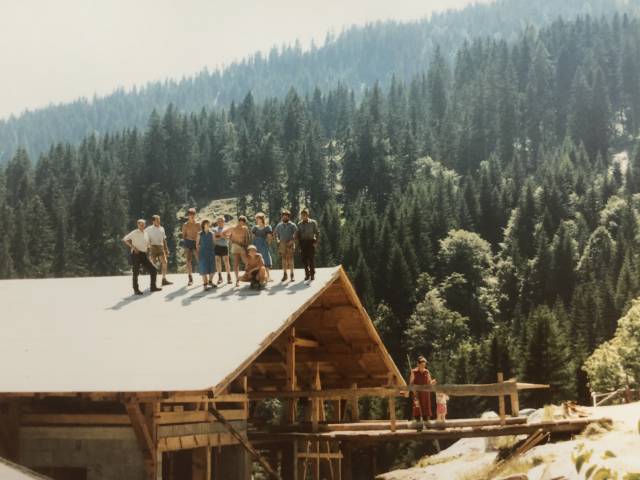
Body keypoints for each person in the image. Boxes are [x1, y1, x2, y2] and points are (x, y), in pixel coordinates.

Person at [122, 219, 161, 295]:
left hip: (143, 254)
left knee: (153, 269)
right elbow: (125, 239)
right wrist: (133, 247)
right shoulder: (134, 232)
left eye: (144, 225)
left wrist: (148, 253)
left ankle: (153, 287)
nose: (143, 226)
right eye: (141, 225)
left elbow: (147, 244)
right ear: (138, 225)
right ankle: (136, 290)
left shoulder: (146, 233)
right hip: (136, 254)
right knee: (136, 272)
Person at [409, 356, 436, 427]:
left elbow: (429, 382)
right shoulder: (414, 372)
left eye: (424, 364)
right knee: (417, 408)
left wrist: (432, 382)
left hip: (425, 394)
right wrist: (413, 390)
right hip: (416, 393)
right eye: (421, 364)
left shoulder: (426, 372)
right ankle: (418, 426)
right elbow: (411, 384)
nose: (423, 365)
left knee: (426, 409)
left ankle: (427, 425)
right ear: (418, 364)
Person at [145, 214, 173, 286]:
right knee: (153, 264)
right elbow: (144, 237)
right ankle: (153, 281)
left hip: (160, 247)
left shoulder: (162, 228)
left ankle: (164, 279)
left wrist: (166, 249)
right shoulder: (149, 229)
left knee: (164, 262)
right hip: (153, 247)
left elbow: (164, 239)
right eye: (157, 220)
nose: (159, 221)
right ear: (153, 221)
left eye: (159, 220)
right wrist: (147, 246)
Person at [296, 208, 319, 281]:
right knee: (304, 260)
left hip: (311, 242)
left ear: (307, 215)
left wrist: (316, 242)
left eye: (305, 215)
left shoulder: (313, 222)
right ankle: (307, 274)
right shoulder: (299, 224)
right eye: (302, 215)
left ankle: (312, 274)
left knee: (311, 259)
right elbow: (298, 235)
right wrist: (299, 245)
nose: (303, 216)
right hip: (302, 243)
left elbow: (317, 232)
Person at [274, 209, 297, 282]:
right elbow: (275, 234)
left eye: (286, 216)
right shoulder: (279, 225)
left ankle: (292, 274)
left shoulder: (292, 225)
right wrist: (277, 240)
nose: (284, 217)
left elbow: (296, 234)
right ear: (282, 217)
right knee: (283, 259)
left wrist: (292, 241)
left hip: (290, 243)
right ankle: (285, 274)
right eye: (283, 216)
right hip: (282, 243)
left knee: (290, 259)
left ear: (288, 217)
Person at [229, 215, 250, 287]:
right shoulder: (233, 228)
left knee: (247, 262)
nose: (241, 223)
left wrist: (247, 247)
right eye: (240, 221)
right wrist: (231, 240)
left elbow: (247, 238)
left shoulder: (245, 229)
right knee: (236, 264)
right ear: (238, 221)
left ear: (244, 223)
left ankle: (246, 276)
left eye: (243, 222)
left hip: (242, 247)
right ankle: (237, 280)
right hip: (235, 247)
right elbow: (226, 235)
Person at [181, 207, 200, 286]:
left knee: (199, 259)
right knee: (188, 260)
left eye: (193, 215)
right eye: (190, 215)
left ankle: (204, 274)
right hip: (188, 243)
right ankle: (190, 277)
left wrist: (198, 242)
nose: (192, 216)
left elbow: (200, 234)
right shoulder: (185, 225)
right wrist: (188, 239)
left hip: (196, 243)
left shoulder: (198, 224)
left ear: (195, 215)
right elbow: (183, 236)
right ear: (188, 216)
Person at [252, 213, 273, 281]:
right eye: (257, 219)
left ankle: (268, 276)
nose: (257, 220)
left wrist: (268, 244)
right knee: (257, 260)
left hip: (264, 245)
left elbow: (269, 237)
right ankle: (258, 277)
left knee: (266, 260)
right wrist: (253, 246)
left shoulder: (267, 227)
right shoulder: (255, 227)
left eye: (259, 218)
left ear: (262, 219)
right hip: (256, 245)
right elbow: (253, 237)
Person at [197, 219, 217, 291]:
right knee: (204, 269)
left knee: (213, 270)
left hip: (211, 253)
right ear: (203, 225)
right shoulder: (200, 234)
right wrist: (199, 252)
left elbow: (214, 243)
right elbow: (197, 244)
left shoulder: (212, 233)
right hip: (203, 253)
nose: (208, 225)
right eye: (206, 224)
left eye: (208, 224)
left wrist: (211, 250)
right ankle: (205, 285)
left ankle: (210, 281)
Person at [213, 216, 232, 285]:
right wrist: (223, 235)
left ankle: (229, 276)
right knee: (218, 262)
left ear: (224, 221)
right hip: (217, 247)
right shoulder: (214, 229)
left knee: (226, 262)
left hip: (224, 246)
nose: (219, 222)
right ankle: (220, 277)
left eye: (221, 221)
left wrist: (220, 235)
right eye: (218, 221)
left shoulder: (227, 228)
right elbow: (215, 238)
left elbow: (228, 238)